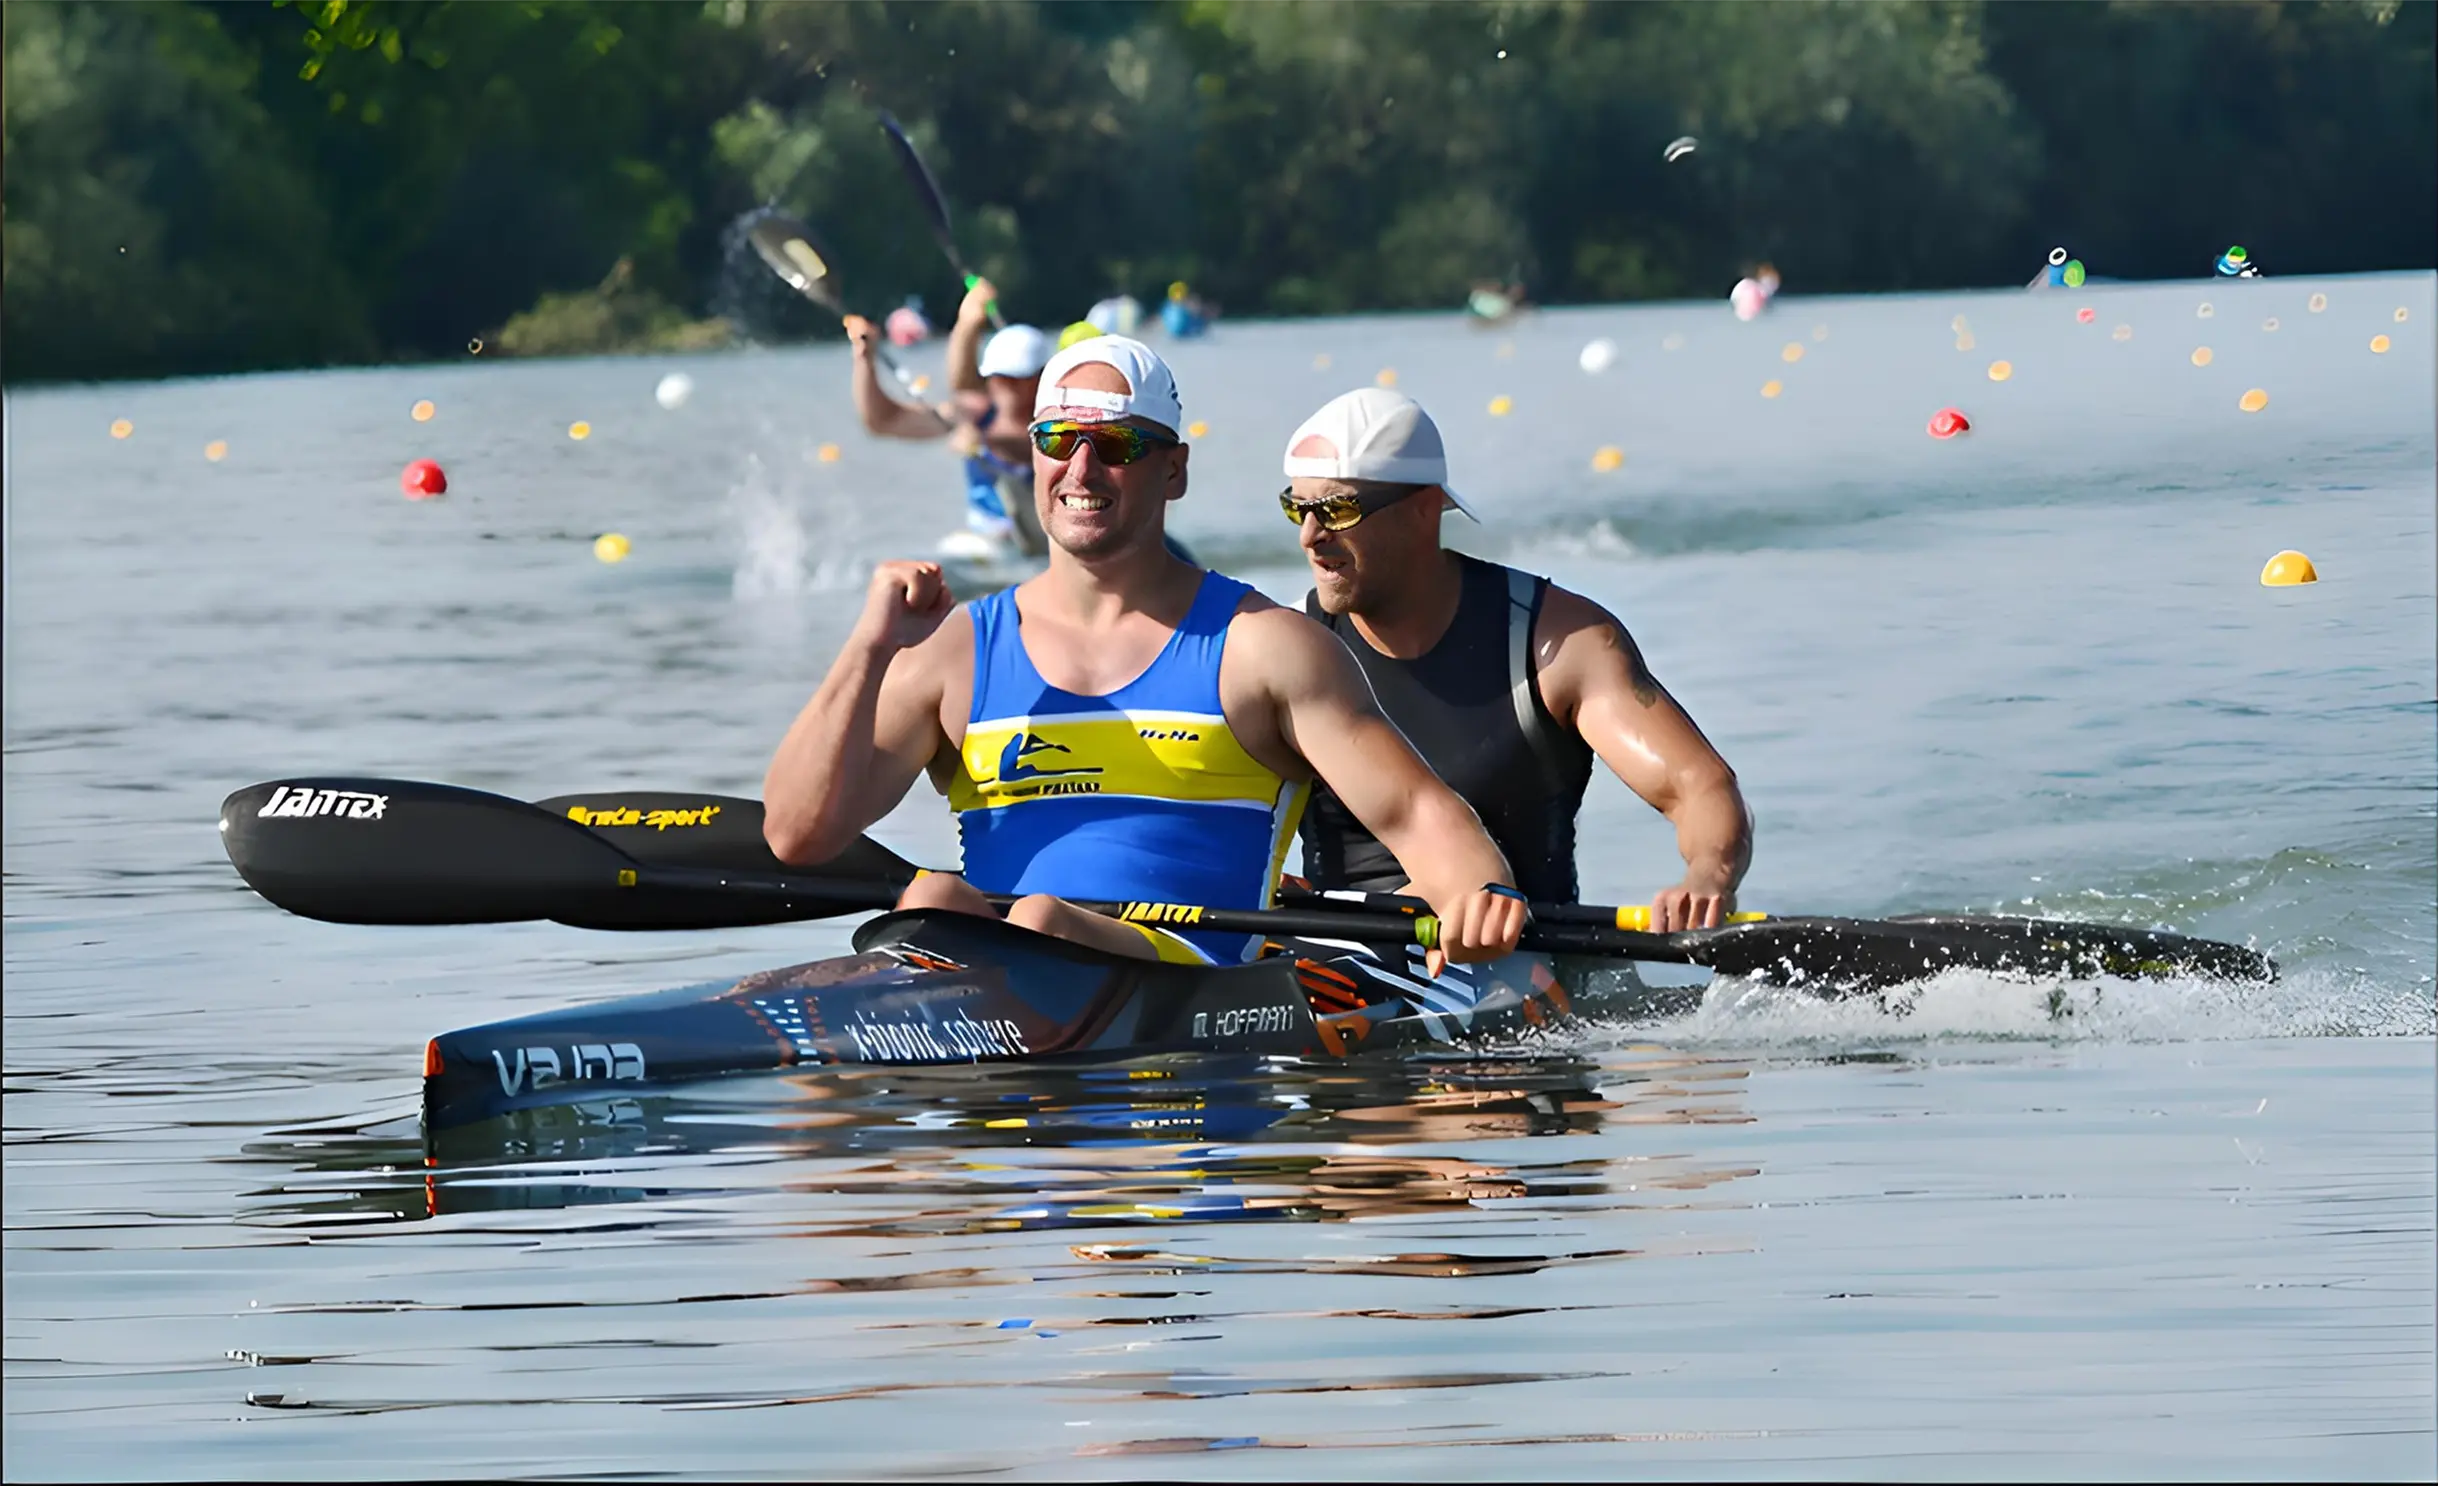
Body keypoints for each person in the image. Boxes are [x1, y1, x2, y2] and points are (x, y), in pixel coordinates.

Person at [763, 338, 1529, 975]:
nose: (1082, 470)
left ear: (1174, 470)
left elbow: (1418, 814)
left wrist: (1482, 901)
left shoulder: (1261, 647)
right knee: (931, 897)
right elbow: (798, 836)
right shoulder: (955, 649)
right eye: (1058, 441)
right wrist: (868, 649)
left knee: (1037, 916)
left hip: (1186, 990)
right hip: (990, 976)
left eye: (1117, 445)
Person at [1280, 388, 1752, 933]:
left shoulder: (1558, 641)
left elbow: (1697, 786)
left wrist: (1708, 876)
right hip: (1344, 955)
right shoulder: (1285, 648)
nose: (1310, 538)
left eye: (1337, 510)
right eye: (1297, 508)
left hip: (1525, 960)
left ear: (1423, 510)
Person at [843, 276, 1049, 556]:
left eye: (1020, 378)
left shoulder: (1060, 421)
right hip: (992, 543)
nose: (1009, 387)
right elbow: (882, 421)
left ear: (1043, 377)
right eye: (1001, 377)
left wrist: (968, 323)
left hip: (1044, 542)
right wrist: (864, 359)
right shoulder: (975, 414)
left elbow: (1022, 446)